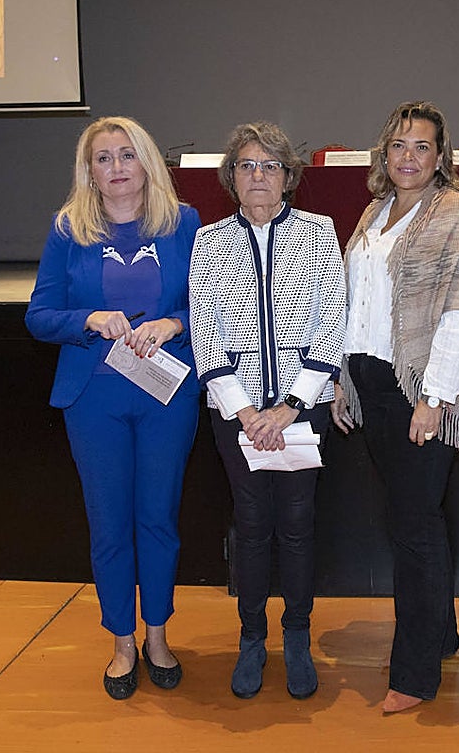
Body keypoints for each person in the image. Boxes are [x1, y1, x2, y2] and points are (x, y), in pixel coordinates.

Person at [26, 116, 200, 700]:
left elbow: (212, 302)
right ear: (89, 171)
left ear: (146, 162)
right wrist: (88, 319)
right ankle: (122, 641)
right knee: (109, 523)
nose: (117, 167)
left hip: (165, 394)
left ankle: (157, 636)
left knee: (158, 518)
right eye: (103, 158)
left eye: (127, 154)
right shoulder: (67, 230)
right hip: (93, 398)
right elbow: (39, 316)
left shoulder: (183, 223)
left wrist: (174, 322)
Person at [331, 100, 459, 714]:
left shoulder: (455, 215)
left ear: (441, 156)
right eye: (398, 145)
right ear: (384, 153)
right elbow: (356, 305)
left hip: (419, 390)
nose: (408, 157)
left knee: (415, 530)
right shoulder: (375, 211)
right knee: (413, 521)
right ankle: (440, 636)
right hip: (372, 383)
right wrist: (343, 382)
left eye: (422, 146)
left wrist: (434, 397)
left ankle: (416, 674)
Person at [189, 121, 346, 700]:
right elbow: (205, 330)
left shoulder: (319, 233)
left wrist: (290, 406)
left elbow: (332, 322)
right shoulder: (210, 242)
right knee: (252, 525)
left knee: (299, 525)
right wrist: (246, 411)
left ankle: (297, 635)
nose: (258, 175)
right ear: (231, 177)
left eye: (270, 165)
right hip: (236, 415)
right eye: (247, 165)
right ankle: (252, 636)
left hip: (304, 410)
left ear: (288, 176)